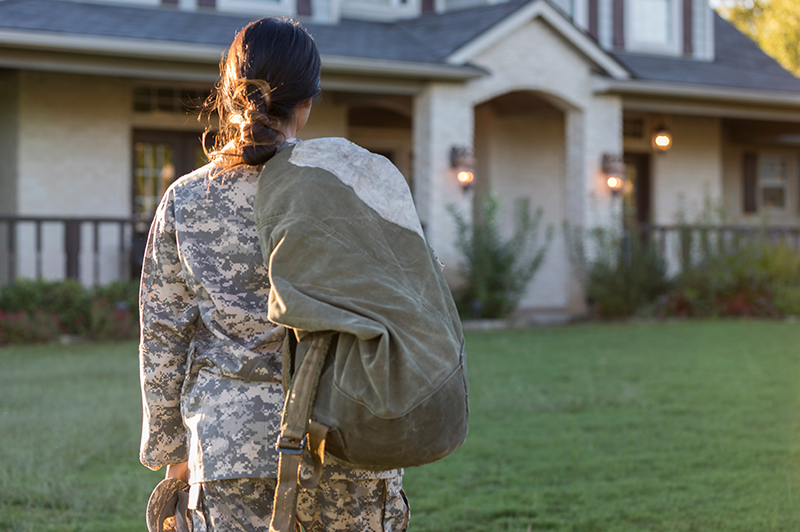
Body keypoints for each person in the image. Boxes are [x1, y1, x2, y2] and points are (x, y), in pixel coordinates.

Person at [138, 17, 409, 532]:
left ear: (231, 94)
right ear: (306, 104)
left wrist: (173, 451)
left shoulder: (187, 199)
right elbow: (403, 304)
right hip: (349, 437)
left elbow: (164, 335)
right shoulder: (351, 184)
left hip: (229, 449)